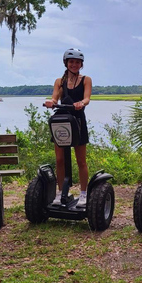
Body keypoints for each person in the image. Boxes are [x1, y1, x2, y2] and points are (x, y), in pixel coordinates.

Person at [44, 49, 92, 208]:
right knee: (60, 159)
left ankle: (83, 193)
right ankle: (61, 192)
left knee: (81, 160)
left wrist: (81, 103)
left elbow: (87, 98)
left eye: (77, 62)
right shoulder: (60, 81)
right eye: (71, 62)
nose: (74, 64)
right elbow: (54, 97)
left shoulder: (86, 79)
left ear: (81, 64)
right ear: (66, 63)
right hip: (62, 121)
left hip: (77, 120)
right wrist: (50, 102)